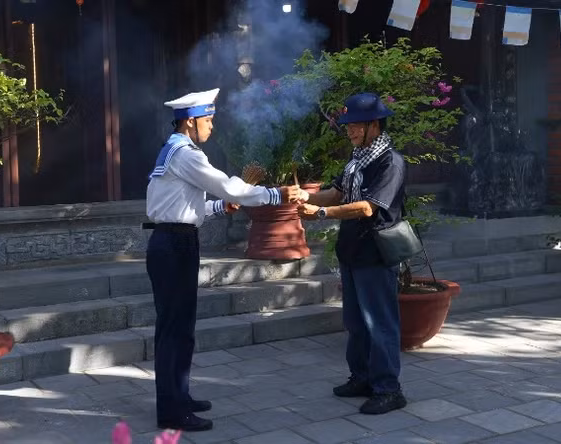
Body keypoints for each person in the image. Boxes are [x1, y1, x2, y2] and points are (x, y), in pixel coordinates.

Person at [145, 87, 302, 432]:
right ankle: (172, 410)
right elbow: (229, 186)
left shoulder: (176, 150)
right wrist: (275, 193)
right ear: (190, 122)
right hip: (173, 244)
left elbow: (185, 205)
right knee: (174, 329)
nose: (212, 126)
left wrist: (220, 207)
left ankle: (179, 396)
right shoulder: (187, 154)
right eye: (208, 119)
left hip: (175, 239)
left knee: (181, 327)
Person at [297, 92, 408, 415]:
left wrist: (319, 215)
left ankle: (389, 388)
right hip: (352, 251)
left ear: (374, 125)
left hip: (375, 251)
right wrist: (306, 196)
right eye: (347, 126)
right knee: (355, 321)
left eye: (355, 126)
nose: (349, 131)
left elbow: (367, 207)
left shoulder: (390, 162)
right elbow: (338, 192)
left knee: (380, 323)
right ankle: (361, 378)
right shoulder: (357, 158)